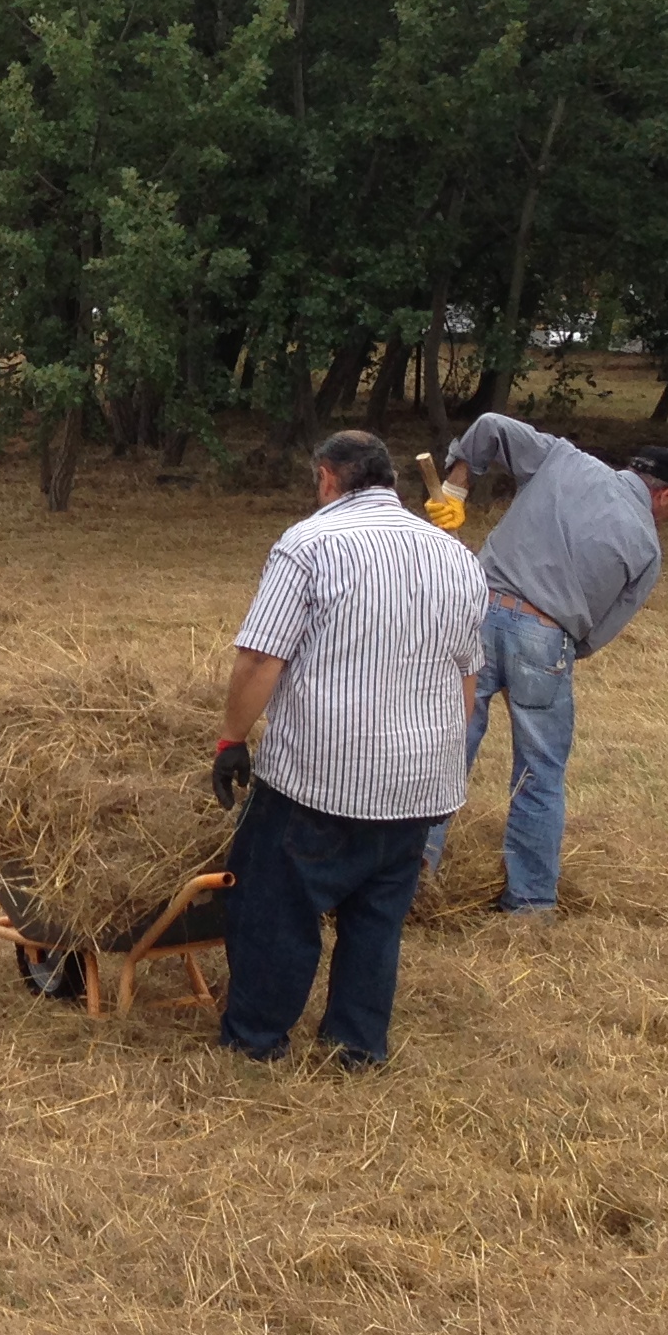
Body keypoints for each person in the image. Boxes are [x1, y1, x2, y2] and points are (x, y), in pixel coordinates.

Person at [211, 430, 488, 1067]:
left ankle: (256, 1042)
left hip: (323, 776)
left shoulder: (309, 546)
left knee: (275, 907)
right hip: (420, 781)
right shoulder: (456, 556)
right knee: (376, 917)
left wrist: (231, 739)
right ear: (389, 481)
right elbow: (466, 677)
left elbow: (260, 658)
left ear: (327, 477)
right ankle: (355, 1048)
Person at [419, 417, 668, 919]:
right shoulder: (648, 549)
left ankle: (408, 879)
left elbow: (490, 427)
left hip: (474, 614)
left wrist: (454, 487)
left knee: (443, 749)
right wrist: (558, 643)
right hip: (547, 640)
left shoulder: (562, 459)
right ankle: (529, 905)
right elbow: (603, 629)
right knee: (539, 774)